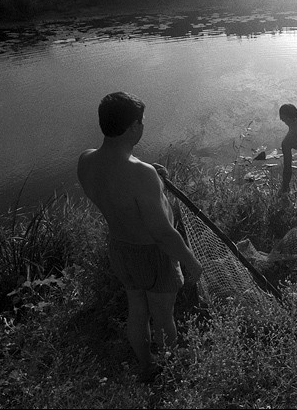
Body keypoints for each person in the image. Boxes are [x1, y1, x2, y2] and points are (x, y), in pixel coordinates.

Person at [77, 91, 203, 383]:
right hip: (153, 254)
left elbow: (117, 183)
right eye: (141, 122)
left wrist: (152, 177)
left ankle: (147, 367)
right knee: (163, 316)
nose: (143, 126)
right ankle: (173, 371)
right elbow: (162, 233)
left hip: (120, 249)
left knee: (137, 310)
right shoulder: (141, 174)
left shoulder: (86, 160)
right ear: (134, 126)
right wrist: (191, 261)